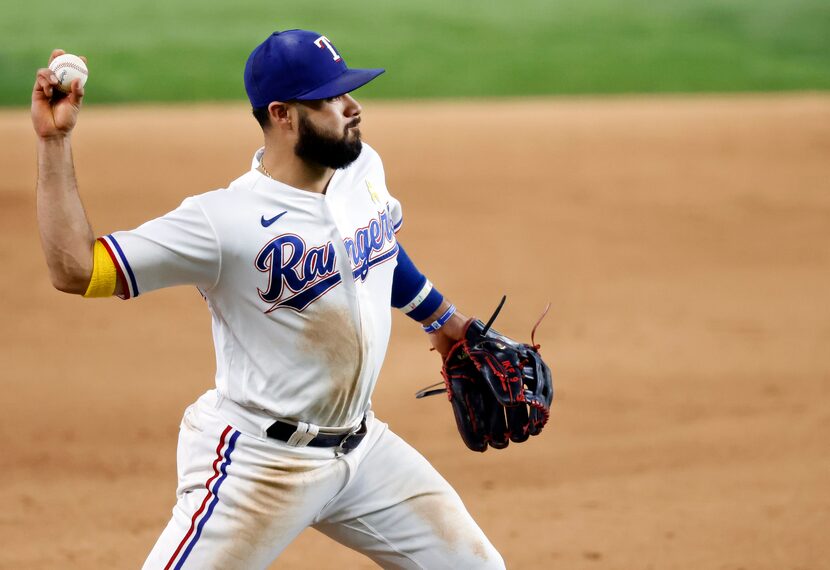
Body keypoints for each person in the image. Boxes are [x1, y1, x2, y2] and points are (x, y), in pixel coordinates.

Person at [32, 30, 505, 569]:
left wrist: (441, 318)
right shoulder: (221, 222)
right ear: (282, 114)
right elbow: (75, 269)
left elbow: (378, 248)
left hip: (364, 448)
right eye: (331, 99)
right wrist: (53, 142)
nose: (353, 108)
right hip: (261, 463)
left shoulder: (361, 168)